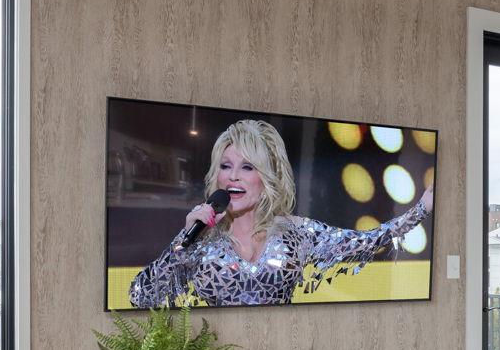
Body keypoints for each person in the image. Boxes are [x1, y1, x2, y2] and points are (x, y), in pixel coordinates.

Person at [128, 118, 434, 308]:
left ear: (267, 178)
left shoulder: (296, 232)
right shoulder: (198, 240)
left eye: (247, 167)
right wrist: (183, 241)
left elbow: (366, 241)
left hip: (284, 348)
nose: (233, 176)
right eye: (226, 166)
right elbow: (140, 296)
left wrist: (421, 209)